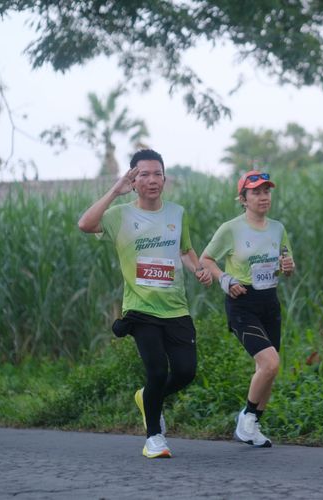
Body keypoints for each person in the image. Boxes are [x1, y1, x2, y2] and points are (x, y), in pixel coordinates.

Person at [78, 148, 212, 458]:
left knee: (185, 371)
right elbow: (85, 224)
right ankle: (154, 438)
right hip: (140, 309)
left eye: (157, 174)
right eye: (144, 174)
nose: (152, 180)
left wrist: (199, 270)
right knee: (157, 371)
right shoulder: (120, 215)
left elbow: (185, 250)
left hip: (176, 307)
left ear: (165, 178)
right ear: (133, 179)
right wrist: (115, 190)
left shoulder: (177, 213)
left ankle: (147, 397)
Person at [199, 170, 295, 448]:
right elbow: (206, 259)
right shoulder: (231, 229)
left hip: (269, 302)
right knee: (270, 363)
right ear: (243, 199)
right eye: (256, 192)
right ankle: (247, 417)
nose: (263, 197)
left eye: (266, 191)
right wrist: (225, 280)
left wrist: (288, 266)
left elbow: (286, 264)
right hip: (242, 302)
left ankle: (252, 425)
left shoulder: (277, 228)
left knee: (268, 370)